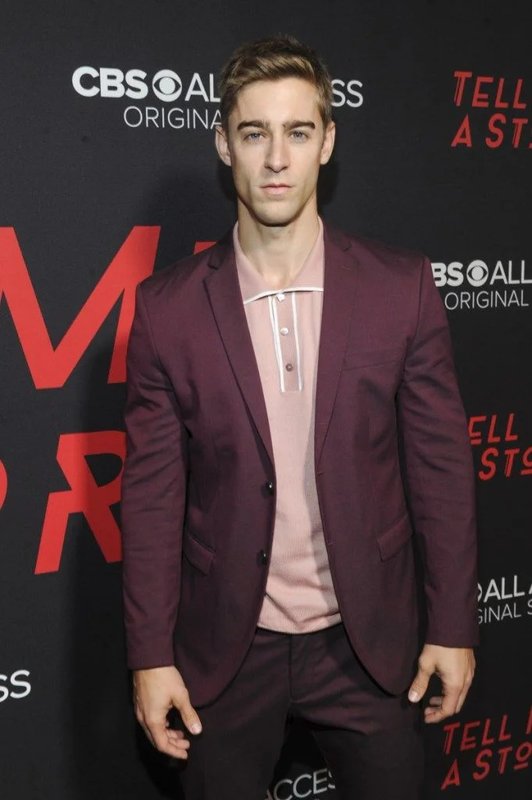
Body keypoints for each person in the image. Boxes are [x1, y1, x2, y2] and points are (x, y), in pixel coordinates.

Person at [121, 35, 478, 800]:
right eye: (255, 133)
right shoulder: (166, 310)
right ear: (224, 144)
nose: (277, 159)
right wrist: (150, 655)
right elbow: (150, 499)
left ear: (328, 141)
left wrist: (452, 626)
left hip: (368, 644)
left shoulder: (401, 289)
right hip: (226, 649)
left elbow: (442, 474)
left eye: (298, 131)